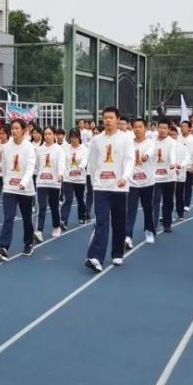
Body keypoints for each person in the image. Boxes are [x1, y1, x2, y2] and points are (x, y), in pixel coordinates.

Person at [85, 106, 135, 272]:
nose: (107, 120)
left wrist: (125, 177)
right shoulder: (96, 140)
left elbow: (129, 160)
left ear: (118, 119)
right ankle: (95, 257)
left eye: (110, 117)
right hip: (101, 187)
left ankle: (117, 253)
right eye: (105, 117)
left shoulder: (126, 139)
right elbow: (92, 162)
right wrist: (94, 182)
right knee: (101, 222)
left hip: (120, 187)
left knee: (119, 222)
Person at [0, 119, 37, 261]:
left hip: (25, 189)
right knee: (8, 218)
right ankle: (4, 247)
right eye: (12, 128)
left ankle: (28, 242)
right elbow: (5, 166)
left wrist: (23, 182)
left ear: (24, 130)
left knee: (26, 218)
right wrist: (7, 181)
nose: (14, 131)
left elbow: (30, 167)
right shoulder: (6, 147)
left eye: (17, 128)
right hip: (10, 189)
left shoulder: (29, 147)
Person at [126, 117, 157, 247]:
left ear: (145, 128)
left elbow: (150, 152)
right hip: (132, 182)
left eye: (140, 127)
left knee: (147, 208)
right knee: (131, 209)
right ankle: (128, 235)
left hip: (147, 182)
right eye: (135, 127)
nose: (137, 129)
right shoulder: (129, 143)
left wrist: (146, 156)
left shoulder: (150, 143)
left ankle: (149, 231)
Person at [35, 125, 65, 241]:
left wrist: (60, 174)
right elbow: (37, 165)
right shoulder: (39, 150)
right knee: (41, 206)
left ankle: (56, 226)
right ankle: (39, 230)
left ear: (54, 135)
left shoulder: (59, 150)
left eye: (49, 134)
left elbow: (61, 163)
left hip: (54, 182)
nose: (47, 136)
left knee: (54, 206)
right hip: (41, 182)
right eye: (45, 134)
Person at [151, 119, 180, 234]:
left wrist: (173, 163)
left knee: (168, 201)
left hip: (169, 177)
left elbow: (172, 154)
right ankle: (153, 224)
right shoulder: (152, 142)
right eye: (160, 128)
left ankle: (167, 223)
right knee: (155, 201)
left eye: (165, 128)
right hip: (155, 177)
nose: (162, 130)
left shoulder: (172, 142)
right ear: (157, 128)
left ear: (168, 130)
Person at [61, 128, 89, 228]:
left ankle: (82, 216)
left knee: (80, 199)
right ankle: (63, 220)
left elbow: (85, 160)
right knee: (68, 199)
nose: (73, 139)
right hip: (68, 178)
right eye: (72, 137)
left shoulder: (84, 149)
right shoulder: (66, 148)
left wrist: (80, 168)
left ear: (79, 137)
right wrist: (63, 173)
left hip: (79, 178)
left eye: (75, 137)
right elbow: (62, 161)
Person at [179, 120, 193, 216]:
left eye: (184, 126)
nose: (182, 128)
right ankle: (179, 204)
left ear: (189, 128)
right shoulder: (178, 138)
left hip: (188, 167)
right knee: (179, 188)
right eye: (181, 126)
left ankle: (186, 204)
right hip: (179, 167)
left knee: (187, 186)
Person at [170, 125, 191, 220]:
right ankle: (168, 215)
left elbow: (187, 158)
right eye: (170, 135)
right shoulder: (166, 146)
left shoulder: (182, 147)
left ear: (177, 135)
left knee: (179, 194)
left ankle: (180, 213)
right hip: (168, 176)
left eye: (174, 135)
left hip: (180, 175)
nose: (172, 136)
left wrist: (181, 166)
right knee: (168, 196)